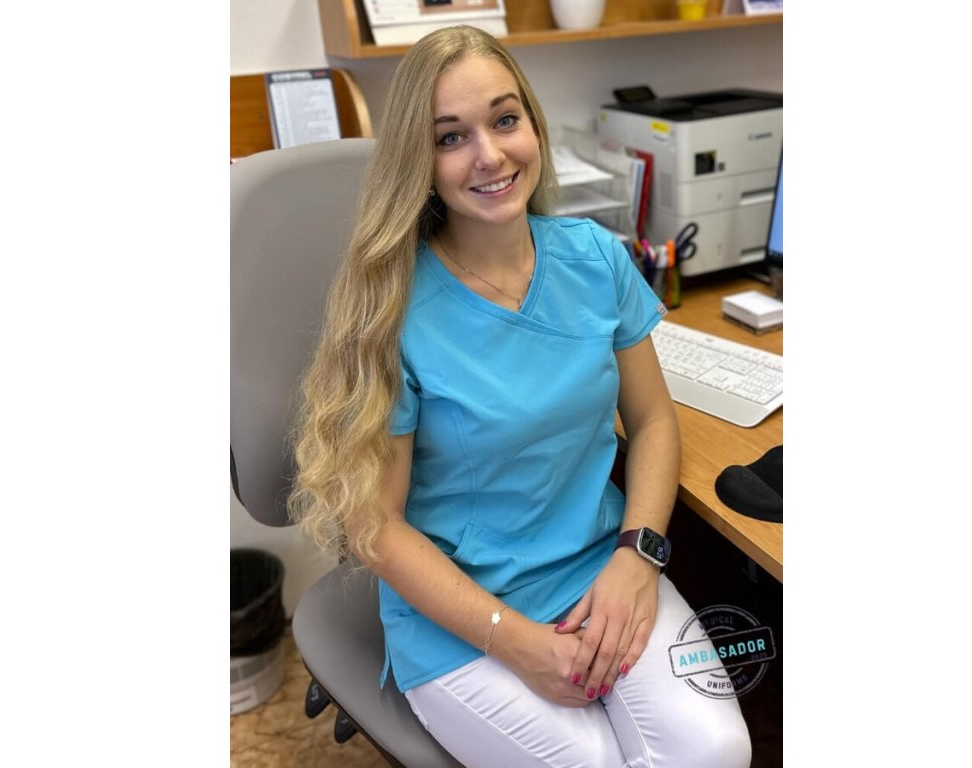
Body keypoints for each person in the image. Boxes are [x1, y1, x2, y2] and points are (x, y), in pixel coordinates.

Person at [290, 25, 752, 767]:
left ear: (533, 124)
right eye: (451, 137)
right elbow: (374, 526)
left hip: (600, 565)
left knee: (718, 749)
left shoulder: (595, 258)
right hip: (461, 612)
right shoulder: (394, 311)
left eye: (505, 120)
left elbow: (653, 420)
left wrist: (638, 556)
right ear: (418, 160)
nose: (490, 155)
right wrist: (519, 643)